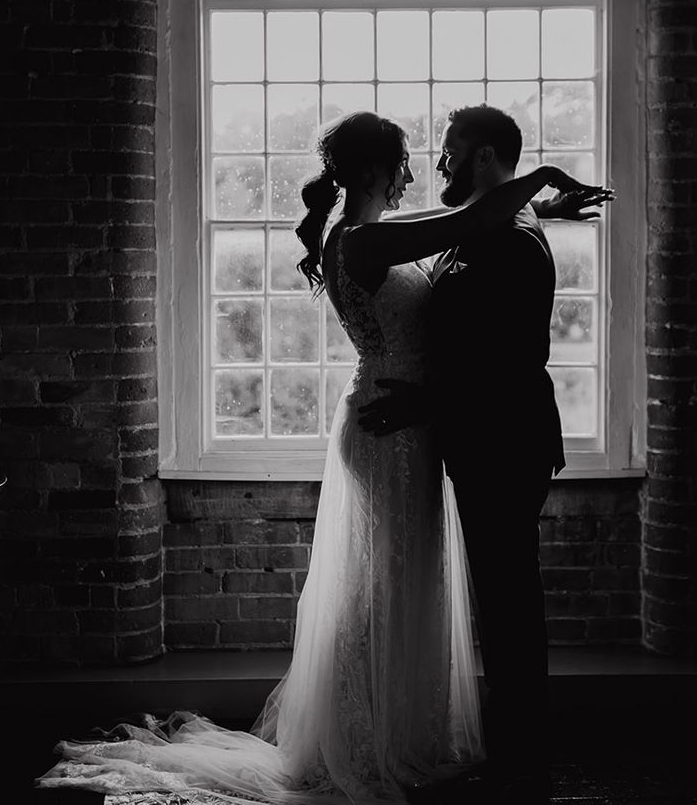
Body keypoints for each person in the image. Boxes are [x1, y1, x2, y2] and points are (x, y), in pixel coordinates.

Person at [36, 110, 609, 805]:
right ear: (373, 170)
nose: (420, 171)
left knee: (415, 588)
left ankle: (423, 732)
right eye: (405, 160)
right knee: (383, 589)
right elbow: (461, 223)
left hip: (428, 429)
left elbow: (471, 247)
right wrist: (542, 179)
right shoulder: (365, 241)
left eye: (444, 154)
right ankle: (371, 736)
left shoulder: (381, 233)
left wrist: (536, 203)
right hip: (389, 430)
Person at [356, 105, 612, 802]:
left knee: (507, 603)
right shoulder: (491, 228)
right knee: (500, 597)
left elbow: (503, 361)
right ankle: (516, 752)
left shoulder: (510, 243)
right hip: (484, 439)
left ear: (485, 157)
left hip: (504, 440)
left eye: (450, 150)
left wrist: (423, 405)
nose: (439, 163)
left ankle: (523, 762)